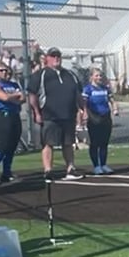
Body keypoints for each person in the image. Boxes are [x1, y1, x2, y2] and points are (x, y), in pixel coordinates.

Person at [29, 48, 81, 178]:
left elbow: (78, 94)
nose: (56, 58)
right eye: (53, 56)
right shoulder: (40, 75)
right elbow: (32, 95)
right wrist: (37, 113)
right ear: (47, 58)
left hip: (68, 115)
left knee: (68, 143)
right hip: (49, 115)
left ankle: (70, 168)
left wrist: (83, 109)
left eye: (58, 56)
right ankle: (48, 170)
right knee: (48, 143)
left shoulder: (70, 74)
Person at [0, 59, 25, 186]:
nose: (5, 73)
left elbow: (22, 98)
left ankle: (6, 173)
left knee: (12, 146)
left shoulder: (13, 84)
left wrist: (13, 97)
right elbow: (4, 97)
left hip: (14, 114)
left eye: (7, 71)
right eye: (1, 70)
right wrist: (14, 96)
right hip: (1, 115)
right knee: (2, 146)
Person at [81, 68, 116, 174]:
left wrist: (115, 109)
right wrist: (85, 113)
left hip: (106, 116)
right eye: (96, 75)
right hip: (94, 117)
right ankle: (96, 166)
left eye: (100, 75)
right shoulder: (88, 89)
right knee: (95, 142)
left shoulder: (105, 88)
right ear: (91, 77)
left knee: (104, 142)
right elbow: (84, 103)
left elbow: (112, 100)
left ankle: (104, 164)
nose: (99, 77)